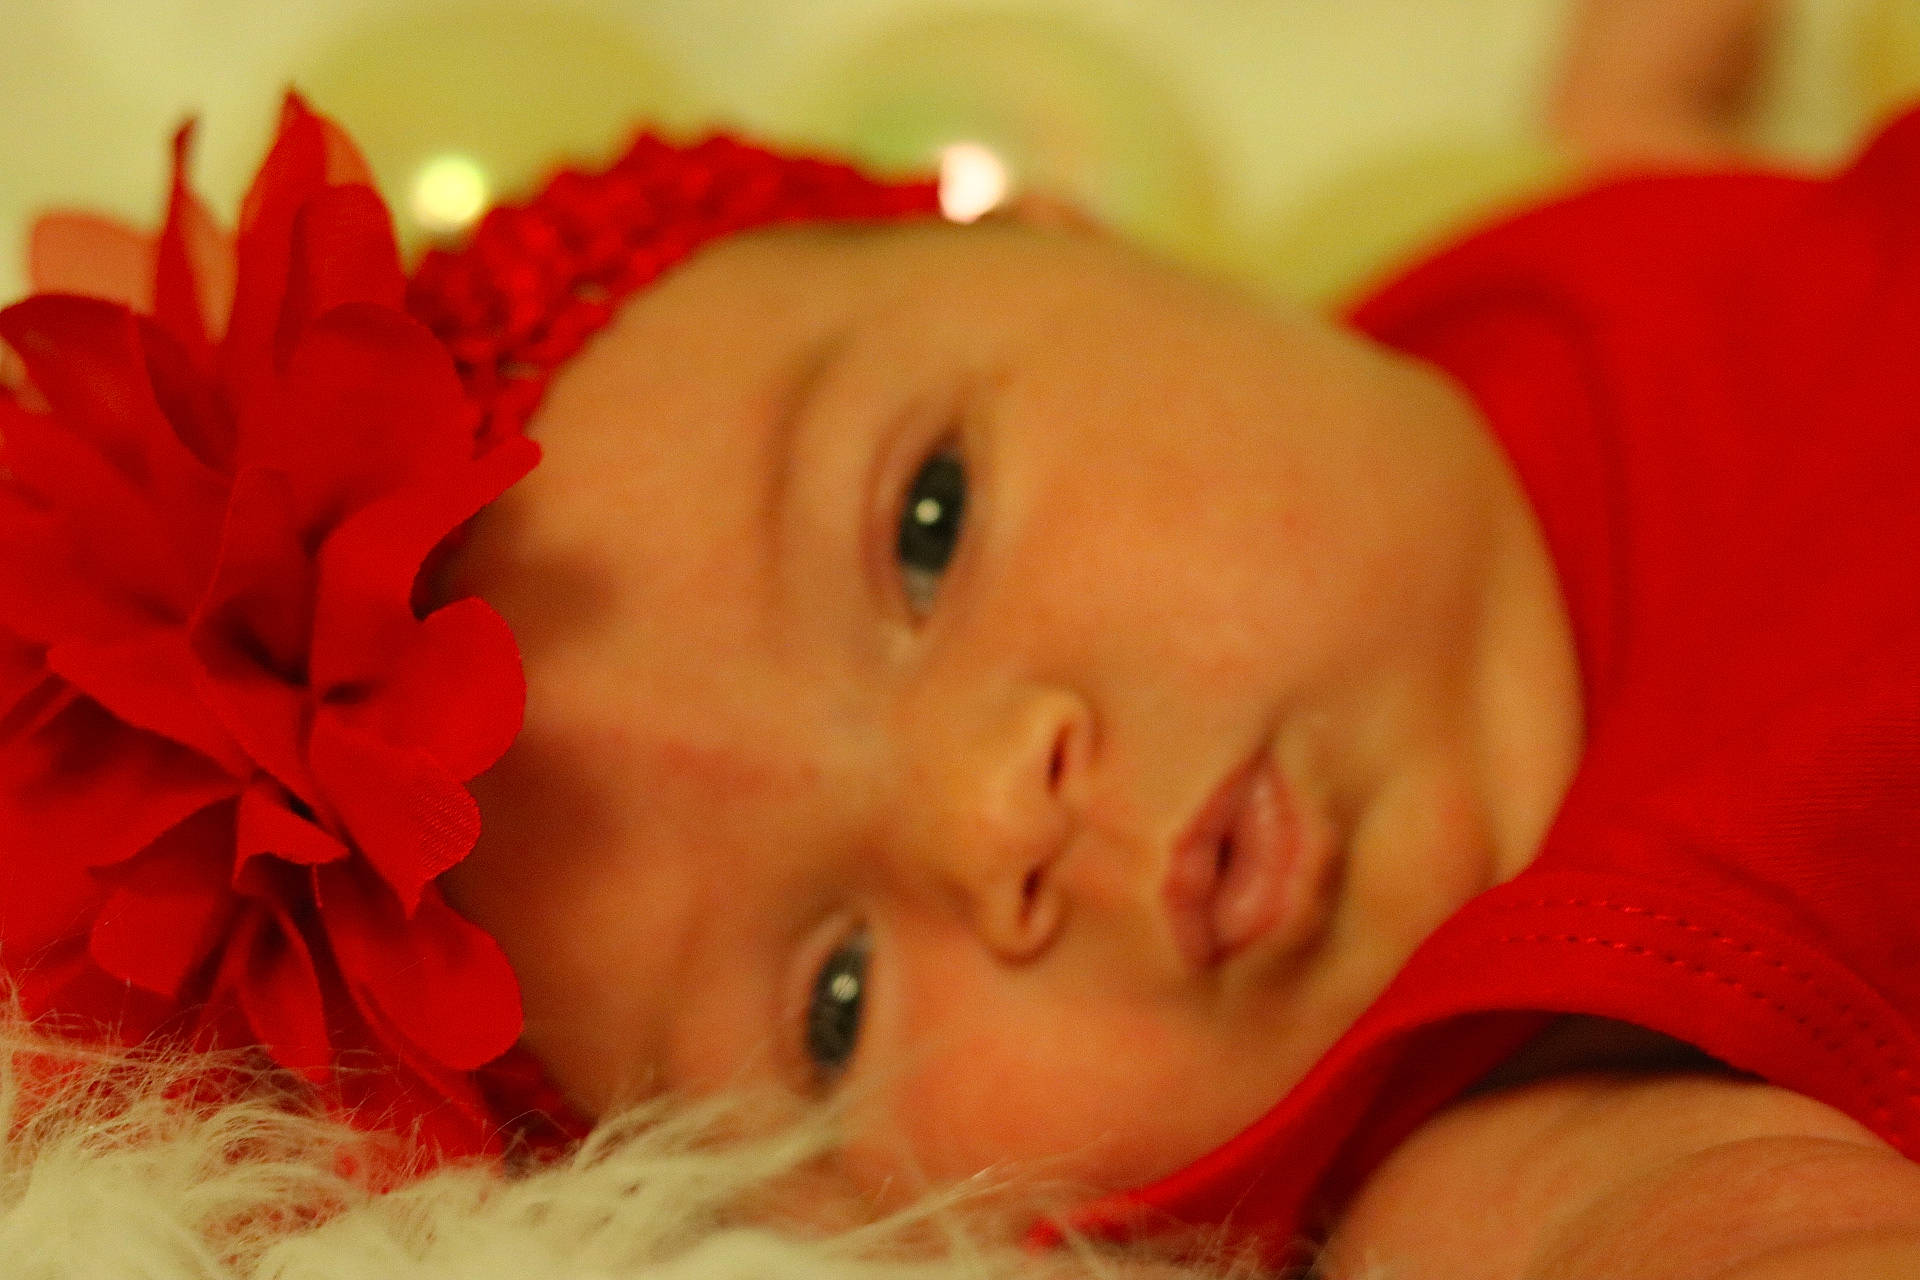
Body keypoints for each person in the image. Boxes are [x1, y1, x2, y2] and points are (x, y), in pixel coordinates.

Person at [4, 2, 1917, 1277]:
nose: (990, 810)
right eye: (833, 1003)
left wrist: (1645, 127)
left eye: (928, 528)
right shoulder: (1528, 1145)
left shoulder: (1452, 339)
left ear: (1067, 237)